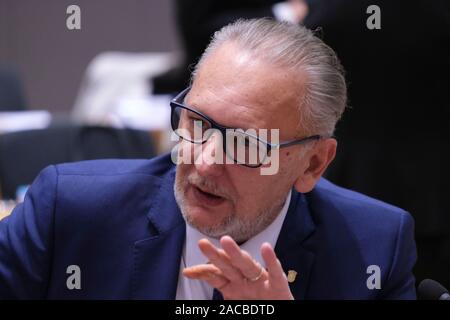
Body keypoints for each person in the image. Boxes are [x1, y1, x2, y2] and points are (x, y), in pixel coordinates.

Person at [0, 19, 417, 299]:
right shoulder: (70, 212)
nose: (205, 162)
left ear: (312, 165)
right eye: (197, 123)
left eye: (245, 143)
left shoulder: (373, 247)